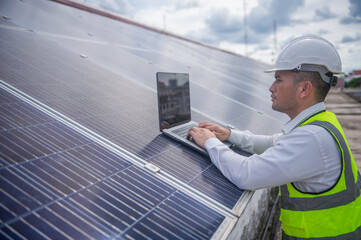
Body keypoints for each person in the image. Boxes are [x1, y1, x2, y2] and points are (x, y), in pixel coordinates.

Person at [187, 35, 361, 239]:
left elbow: (246, 175)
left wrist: (210, 142)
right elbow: (273, 143)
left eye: (278, 79)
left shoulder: (311, 138)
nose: (271, 87)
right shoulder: (322, 122)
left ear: (304, 88)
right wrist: (230, 135)